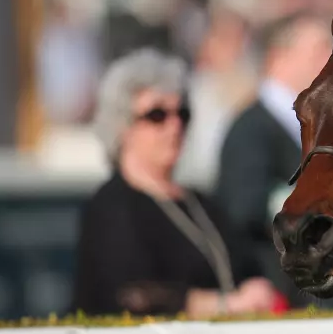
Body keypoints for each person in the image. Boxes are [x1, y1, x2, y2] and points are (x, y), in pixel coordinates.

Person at [72, 49, 285, 318]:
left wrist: (257, 289)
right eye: (157, 115)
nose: (175, 126)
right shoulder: (110, 207)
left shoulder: (201, 204)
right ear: (122, 126)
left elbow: (247, 267)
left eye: (182, 113)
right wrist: (227, 305)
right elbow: (130, 296)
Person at [215, 12, 332, 304]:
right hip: (290, 297)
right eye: (318, 50)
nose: (330, 60)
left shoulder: (310, 124)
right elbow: (244, 211)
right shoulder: (251, 129)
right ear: (279, 56)